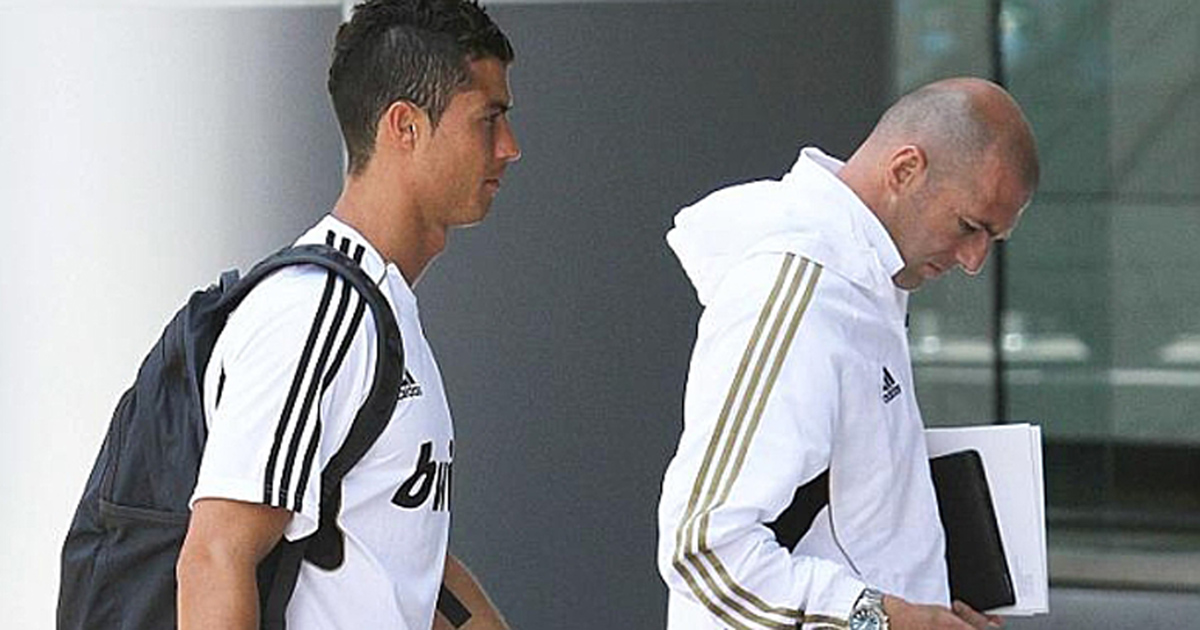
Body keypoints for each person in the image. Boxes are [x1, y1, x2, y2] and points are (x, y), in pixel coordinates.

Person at [175, 1, 520, 628]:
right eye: (489, 119)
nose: (510, 148)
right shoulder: (316, 309)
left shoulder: (381, 307)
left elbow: (393, 558)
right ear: (405, 126)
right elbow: (215, 556)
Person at [656, 77, 1039, 630]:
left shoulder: (865, 284)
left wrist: (927, 609)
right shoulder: (801, 292)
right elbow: (703, 550)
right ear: (905, 170)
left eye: (991, 240)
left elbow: (856, 521)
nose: (974, 260)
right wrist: (882, 618)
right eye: (968, 226)